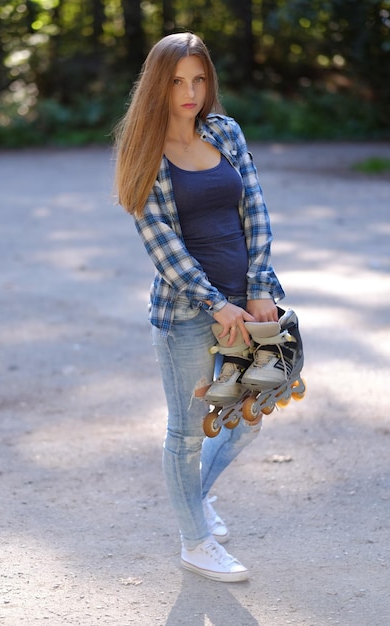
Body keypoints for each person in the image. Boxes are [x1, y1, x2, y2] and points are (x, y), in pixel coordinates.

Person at [114, 32, 285, 583]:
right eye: (177, 81)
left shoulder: (225, 132)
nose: (190, 92)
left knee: (248, 418)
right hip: (187, 315)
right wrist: (213, 303)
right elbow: (161, 242)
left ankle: (195, 499)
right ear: (156, 87)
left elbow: (254, 209)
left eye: (198, 79)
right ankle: (196, 540)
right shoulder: (144, 151)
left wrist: (258, 288)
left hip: (248, 304)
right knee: (187, 432)